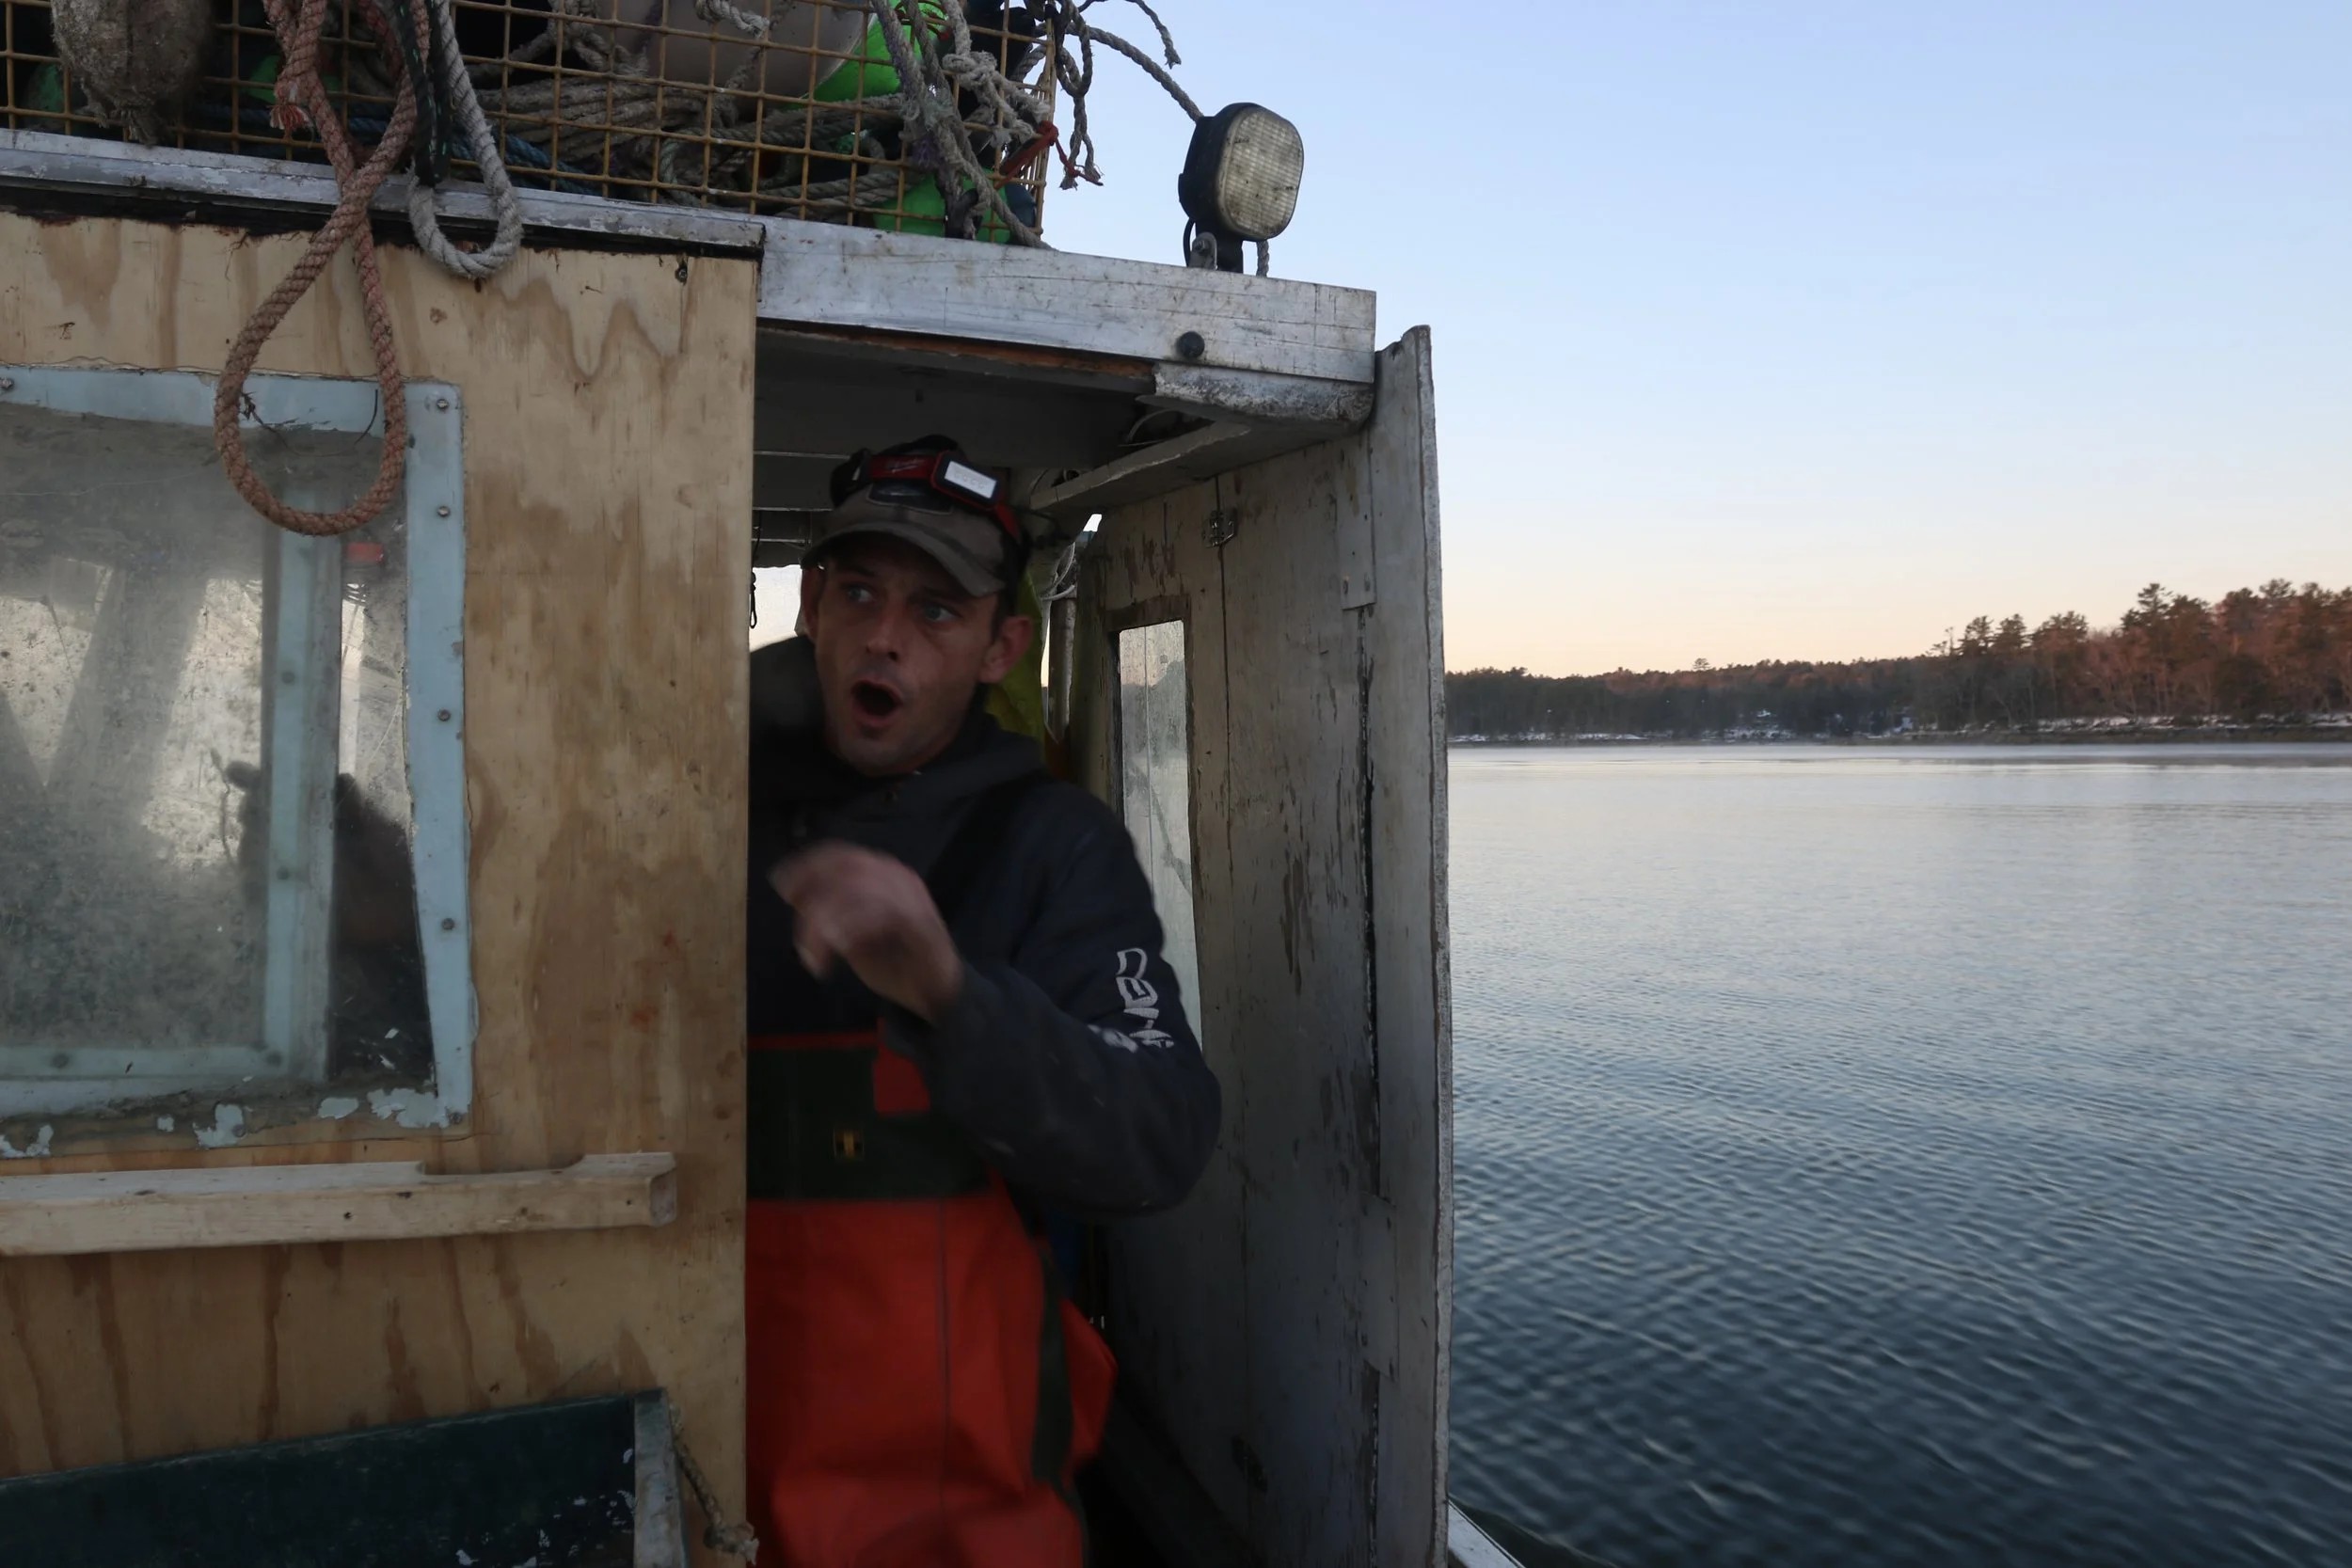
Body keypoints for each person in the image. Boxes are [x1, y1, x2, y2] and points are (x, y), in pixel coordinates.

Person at [744, 436, 1222, 1567]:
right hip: (707, 1483)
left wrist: (950, 994)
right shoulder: (691, 797)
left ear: (1001, 643)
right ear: (812, 605)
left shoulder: (1053, 845)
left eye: (938, 611)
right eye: (857, 591)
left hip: (961, 1519)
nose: (886, 636)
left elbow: (1160, 1137)